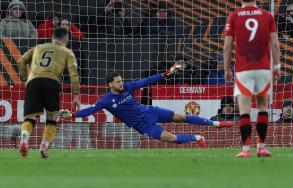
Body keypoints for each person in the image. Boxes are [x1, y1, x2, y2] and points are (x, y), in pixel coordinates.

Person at [62, 65, 233, 148]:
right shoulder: (105, 100)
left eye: (121, 80)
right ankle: (197, 138)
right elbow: (89, 110)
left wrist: (166, 73)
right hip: (143, 125)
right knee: (171, 138)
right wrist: (71, 114)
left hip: (150, 111)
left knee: (181, 117)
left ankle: (217, 124)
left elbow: (148, 81)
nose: (122, 83)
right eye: (118, 82)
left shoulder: (128, 87)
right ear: (110, 85)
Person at [224, 0, 281, 158]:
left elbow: (227, 47)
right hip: (263, 68)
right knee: (263, 106)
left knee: (244, 109)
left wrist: (226, 69)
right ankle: (262, 147)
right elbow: (274, 44)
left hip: (244, 69)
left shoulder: (234, 16)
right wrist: (277, 66)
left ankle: (246, 149)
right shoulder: (267, 16)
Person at [17, 27, 81, 158]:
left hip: (33, 82)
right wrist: (76, 95)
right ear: (66, 39)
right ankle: (44, 145)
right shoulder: (67, 52)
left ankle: (24, 139)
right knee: (52, 118)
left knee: (30, 117)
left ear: (52, 37)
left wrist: (25, 79)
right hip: (51, 82)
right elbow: (74, 74)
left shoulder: (38, 47)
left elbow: (21, 61)